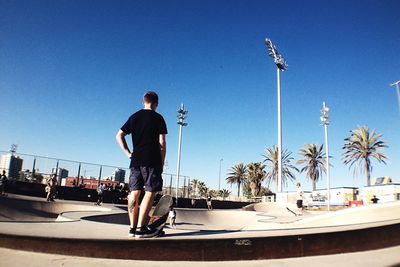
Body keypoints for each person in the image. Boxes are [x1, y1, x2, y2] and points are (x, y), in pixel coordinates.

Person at [116, 91, 167, 238]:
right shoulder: (158, 118)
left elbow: (119, 135)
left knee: (135, 193)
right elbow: (162, 143)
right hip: (152, 160)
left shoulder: (134, 117)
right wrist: (162, 162)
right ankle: (141, 228)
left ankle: (132, 228)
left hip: (135, 160)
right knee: (150, 191)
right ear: (156, 103)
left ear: (143, 102)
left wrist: (128, 153)